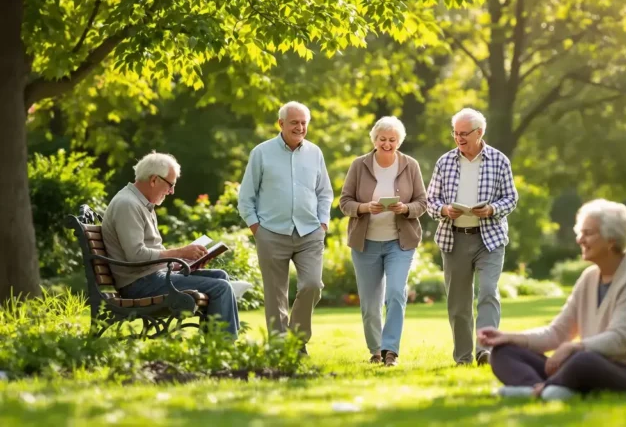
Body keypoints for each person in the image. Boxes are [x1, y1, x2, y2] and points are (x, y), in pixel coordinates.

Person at [478, 199, 626, 401]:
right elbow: (557, 333)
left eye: (588, 233)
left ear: (611, 239)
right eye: (580, 233)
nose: (580, 239)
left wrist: (574, 346)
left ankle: (544, 390)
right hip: (594, 366)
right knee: (503, 352)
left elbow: (619, 341)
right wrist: (509, 337)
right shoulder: (589, 278)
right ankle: (546, 390)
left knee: (582, 360)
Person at [102, 152, 240, 336]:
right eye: (170, 184)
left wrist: (180, 263)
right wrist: (180, 253)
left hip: (150, 277)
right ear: (154, 180)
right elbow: (136, 255)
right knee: (221, 287)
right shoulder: (128, 204)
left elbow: (148, 255)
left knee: (220, 276)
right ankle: (224, 345)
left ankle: (214, 340)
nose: (172, 191)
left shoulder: (142, 204)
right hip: (139, 284)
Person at [238, 101, 333, 353]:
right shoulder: (261, 152)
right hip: (271, 233)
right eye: (294, 123)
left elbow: (325, 192)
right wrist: (256, 228)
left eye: (303, 123)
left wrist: (323, 223)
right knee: (275, 295)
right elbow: (246, 196)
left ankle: (297, 340)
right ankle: (281, 347)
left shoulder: (315, 153)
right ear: (281, 123)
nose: (300, 127)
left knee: (312, 285)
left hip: (309, 232)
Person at [426, 108, 519, 366]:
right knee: (458, 303)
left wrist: (492, 209)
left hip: (489, 239)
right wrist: (444, 210)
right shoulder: (445, 162)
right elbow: (430, 200)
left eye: (464, 133)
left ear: (479, 133)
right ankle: (463, 357)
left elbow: (511, 198)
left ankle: (485, 351)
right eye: (455, 133)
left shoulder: (499, 160)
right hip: (454, 238)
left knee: (488, 292)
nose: (459, 138)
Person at [339, 116, 428, 367]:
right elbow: (345, 202)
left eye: (392, 139)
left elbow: (422, 202)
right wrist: (365, 207)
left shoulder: (410, 165)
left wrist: (405, 208)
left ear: (399, 141)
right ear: (374, 139)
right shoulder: (359, 165)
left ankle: (391, 351)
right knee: (370, 303)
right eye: (382, 139)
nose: (387, 144)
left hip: (399, 243)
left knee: (396, 293)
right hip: (365, 243)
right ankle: (376, 350)